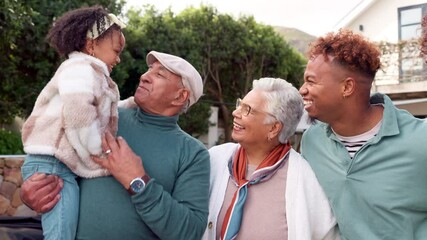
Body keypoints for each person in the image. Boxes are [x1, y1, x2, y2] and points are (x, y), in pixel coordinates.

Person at [20, 50, 211, 240]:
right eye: (149, 70)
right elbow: (57, 162)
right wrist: (32, 194)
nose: (144, 76)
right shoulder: (103, 117)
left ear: (179, 97)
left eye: (159, 74)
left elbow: (190, 232)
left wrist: (137, 180)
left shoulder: (193, 153)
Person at [299, 29, 427, 239]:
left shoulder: (421, 141)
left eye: (311, 81)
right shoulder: (312, 142)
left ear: (347, 87)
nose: (303, 89)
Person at [20, 5, 126, 240]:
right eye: (116, 51)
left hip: (58, 164)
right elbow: (79, 115)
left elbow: (105, 111)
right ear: (91, 45)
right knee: (60, 235)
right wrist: (100, 153)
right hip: (52, 166)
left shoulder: (90, 73)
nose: (118, 59)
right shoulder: (80, 69)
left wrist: (132, 105)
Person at [203, 77, 339, 240]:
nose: (235, 112)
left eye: (248, 109)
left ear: (274, 128)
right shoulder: (215, 159)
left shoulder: (306, 179)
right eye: (240, 104)